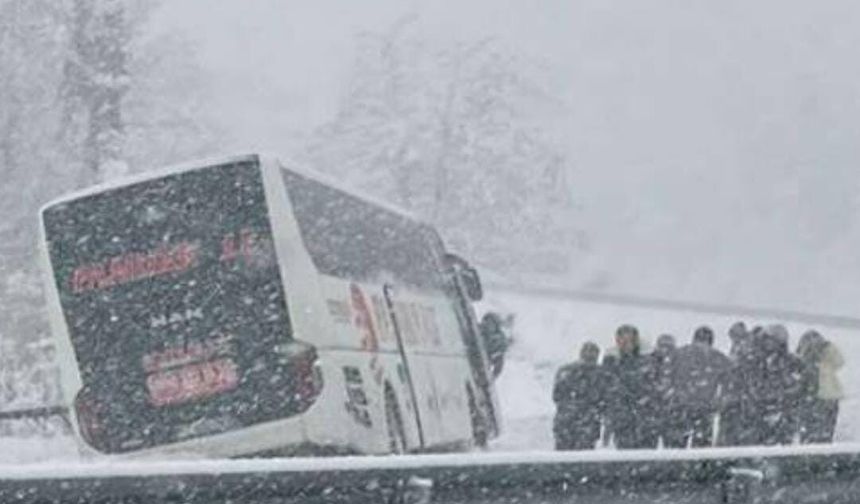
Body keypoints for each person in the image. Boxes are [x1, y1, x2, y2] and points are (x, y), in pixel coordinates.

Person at [668, 326, 731, 448]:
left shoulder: (679, 354)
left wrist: (675, 392)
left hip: (682, 406)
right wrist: (720, 400)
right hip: (703, 407)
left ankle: (677, 458)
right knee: (701, 447)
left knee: (677, 447)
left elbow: (667, 376)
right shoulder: (719, 358)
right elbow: (729, 382)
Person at [604, 325, 660, 449]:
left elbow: (655, 385)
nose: (626, 344)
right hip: (623, 418)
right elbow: (608, 390)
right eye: (622, 340)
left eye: (629, 340)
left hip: (645, 418)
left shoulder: (650, 358)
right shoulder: (611, 360)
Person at [753, 324, 809, 445]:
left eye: (770, 340)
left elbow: (798, 386)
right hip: (760, 411)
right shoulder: (758, 360)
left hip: (784, 411)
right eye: (765, 339)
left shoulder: (792, 362)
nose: (767, 343)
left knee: (783, 444)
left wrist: (780, 395)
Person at [552, 342, 607, 450]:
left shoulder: (566, 371)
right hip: (581, 424)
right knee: (580, 456)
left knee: (565, 455)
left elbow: (557, 396)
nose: (589, 355)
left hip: (573, 423)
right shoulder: (601, 374)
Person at [796, 330, 843, 443]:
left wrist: (828, 346)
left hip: (827, 399)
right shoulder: (803, 363)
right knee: (810, 432)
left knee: (825, 432)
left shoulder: (827, 362)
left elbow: (839, 361)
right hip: (813, 399)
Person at [651, 334, 682, 448]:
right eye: (663, 346)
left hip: (670, 410)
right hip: (657, 409)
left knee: (672, 445)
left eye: (668, 347)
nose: (665, 350)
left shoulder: (678, 361)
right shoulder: (651, 361)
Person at [478, 312, 510, 378]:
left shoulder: (498, 341)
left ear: (496, 327)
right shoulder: (472, 328)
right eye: (486, 321)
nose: (487, 324)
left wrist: (491, 377)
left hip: (479, 364)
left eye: (491, 323)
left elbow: (498, 366)